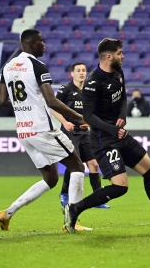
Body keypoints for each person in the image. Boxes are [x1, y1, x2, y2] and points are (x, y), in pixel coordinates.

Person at [63, 38, 150, 233]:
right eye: (119, 53)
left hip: (120, 134)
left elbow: (123, 96)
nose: (122, 56)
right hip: (103, 140)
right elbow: (88, 116)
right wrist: (112, 129)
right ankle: (74, 209)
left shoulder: (118, 72)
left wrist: (122, 116)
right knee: (120, 186)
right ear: (109, 56)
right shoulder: (93, 82)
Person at [0, 29, 87, 231]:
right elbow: (52, 101)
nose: (45, 45)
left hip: (24, 132)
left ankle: (7, 213)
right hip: (43, 130)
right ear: (33, 44)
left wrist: (24, 105)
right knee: (78, 166)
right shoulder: (38, 66)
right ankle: (72, 221)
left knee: (51, 178)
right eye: (42, 42)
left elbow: (2, 100)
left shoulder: (8, 67)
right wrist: (80, 116)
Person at [52, 62, 109, 210]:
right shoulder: (66, 89)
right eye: (78, 70)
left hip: (85, 133)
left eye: (83, 70)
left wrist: (90, 124)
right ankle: (64, 194)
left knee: (94, 164)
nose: (82, 73)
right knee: (74, 163)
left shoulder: (89, 91)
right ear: (72, 73)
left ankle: (97, 199)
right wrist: (64, 122)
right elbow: (53, 107)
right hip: (70, 132)